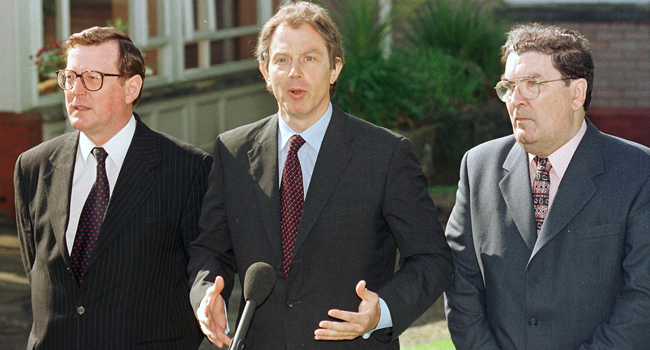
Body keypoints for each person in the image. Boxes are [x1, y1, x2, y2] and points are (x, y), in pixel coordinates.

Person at [187, 2, 453, 349]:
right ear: (265, 70)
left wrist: (381, 312)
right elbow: (210, 250)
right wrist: (206, 293)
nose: (294, 72)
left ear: (334, 69)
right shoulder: (233, 151)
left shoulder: (386, 155)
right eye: (282, 60)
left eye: (310, 58)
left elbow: (432, 259)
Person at [445, 23, 650, 349]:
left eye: (533, 84)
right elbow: (461, 286)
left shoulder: (638, 172)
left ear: (576, 93)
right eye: (509, 86)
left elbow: (642, 297)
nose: (515, 99)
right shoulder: (478, 167)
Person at [14, 27, 212, 349]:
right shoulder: (33, 167)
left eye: (92, 77)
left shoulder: (187, 169)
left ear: (131, 88)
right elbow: (37, 269)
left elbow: (201, 273)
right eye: (69, 76)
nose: (76, 91)